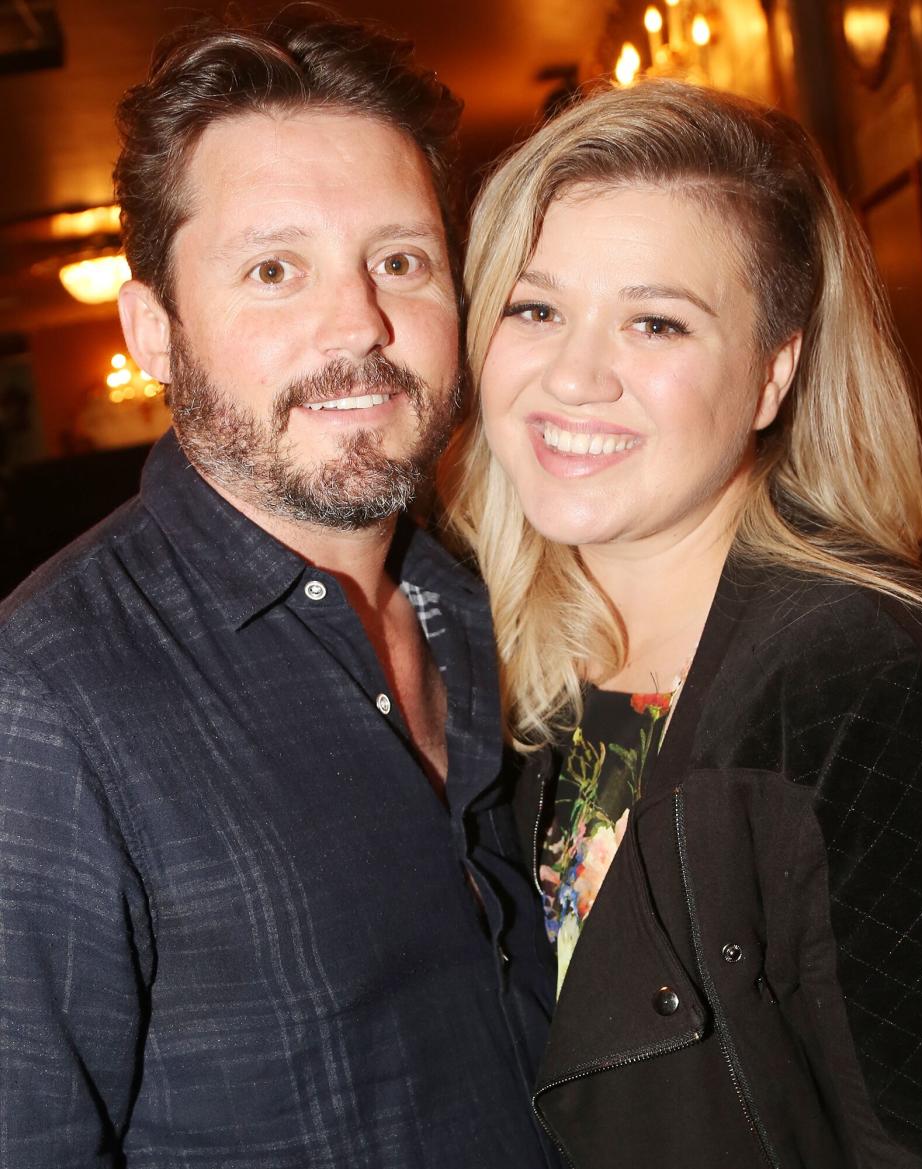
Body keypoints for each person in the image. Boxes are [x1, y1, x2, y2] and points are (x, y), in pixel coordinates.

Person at [0, 13, 557, 1168]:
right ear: (153, 330)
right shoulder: (41, 701)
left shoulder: (487, 605)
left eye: (400, 259)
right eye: (272, 268)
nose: (358, 321)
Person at [443, 79, 922, 1168]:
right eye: (535, 308)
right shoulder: (526, 665)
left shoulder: (863, 681)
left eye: (656, 321)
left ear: (774, 372)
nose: (572, 376)